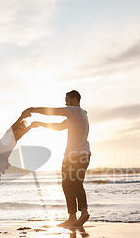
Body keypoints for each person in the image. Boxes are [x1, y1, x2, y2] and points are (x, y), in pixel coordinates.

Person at [23, 90, 91, 227]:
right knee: (69, 184)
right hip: (81, 154)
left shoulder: (74, 111)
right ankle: (72, 217)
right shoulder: (79, 115)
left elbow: (53, 111)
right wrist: (41, 123)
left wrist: (32, 109)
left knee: (74, 183)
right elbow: (60, 127)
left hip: (75, 155)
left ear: (74, 100)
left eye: (67, 100)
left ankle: (83, 213)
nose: (65, 103)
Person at [0, 114, 31, 184]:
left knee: (3, 166)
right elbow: (16, 124)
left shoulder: (16, 136)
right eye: (20, 127)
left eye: (22, 128)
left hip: (3, 154)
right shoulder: (9, 132)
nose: (20, 130)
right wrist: (22, 117)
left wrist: (31, 126)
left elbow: (23, 132)